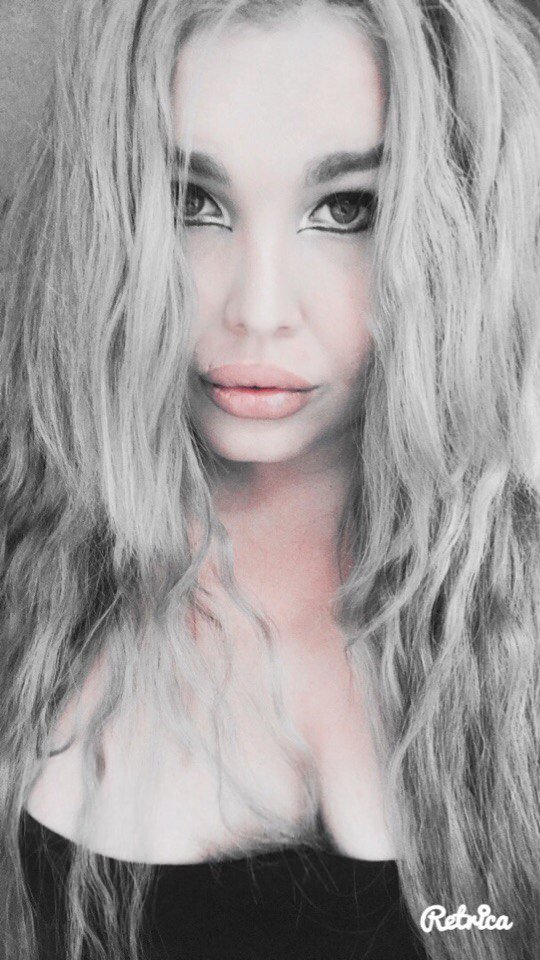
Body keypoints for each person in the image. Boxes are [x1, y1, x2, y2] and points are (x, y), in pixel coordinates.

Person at [0, 0, 539, 957]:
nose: (257, 308)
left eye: (347, 210)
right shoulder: (22, 598)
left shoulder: (517, 626)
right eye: (190, 202)